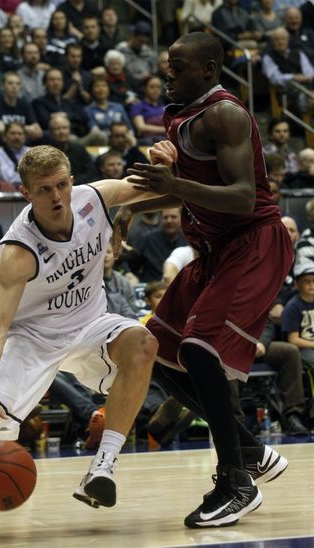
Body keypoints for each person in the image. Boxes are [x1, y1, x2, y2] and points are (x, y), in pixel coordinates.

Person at [0, 145, 159, 512]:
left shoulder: (92, 198)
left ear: (72, 181)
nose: (57, 196)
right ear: (26, 193)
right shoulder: (19, 251)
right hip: (34, 339)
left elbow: (159, 189)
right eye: (44, 189)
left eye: (62, 185)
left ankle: (102, 467)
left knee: (144, 343)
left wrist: (164, 170)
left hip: (90, 323)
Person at [116, 32, 293, 528]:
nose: (166, 73)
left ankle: (235, 481)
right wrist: (134, 209)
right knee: (152, 348)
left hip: (253, 241)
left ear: (209, 70)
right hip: (214, 250)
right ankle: (250, 448)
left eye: (177, 66)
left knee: (198, 348)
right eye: (166, 65)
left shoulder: (225, 114)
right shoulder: (179, 113)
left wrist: (170, 186)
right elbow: (193, 192)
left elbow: (240, 196)